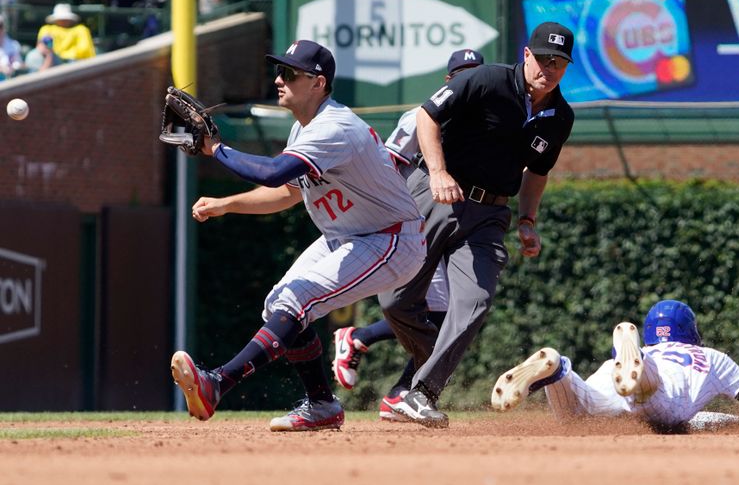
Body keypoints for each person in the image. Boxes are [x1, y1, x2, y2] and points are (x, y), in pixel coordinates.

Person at [170, 39, 426, 431]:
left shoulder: (334, 127)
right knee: (279, 305)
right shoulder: (302, 128)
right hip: (348, 236)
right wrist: (227, 204)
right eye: (279, 71)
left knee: (297, 299)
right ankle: (322, 405)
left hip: (390, 238)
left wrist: (216, 149)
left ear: (318, 83)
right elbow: (287, 192)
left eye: (290, 73)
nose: (278, 80)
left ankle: (218, 382)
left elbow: (273, 172)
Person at [376, 22, 576, 428]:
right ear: (526, 54)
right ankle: (432, 359)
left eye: (559, 62)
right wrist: (436, 172)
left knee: (475, 302)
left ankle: (421, 392)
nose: (549, 68)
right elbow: (427, 117)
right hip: (437, 195)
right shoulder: (487, 80)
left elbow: (537, 171)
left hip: (489, 215)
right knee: (395, 302)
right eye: (543, 59)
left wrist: (527, 219)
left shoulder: (560, 116)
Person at [331, 49, 485, 421]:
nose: (468, 81)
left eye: (474, 75)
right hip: (415, 224)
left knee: (445, 316)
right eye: (461, 74)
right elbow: (388, 165)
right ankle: (389, 375)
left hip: (451, 225)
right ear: (448, 81)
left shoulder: (486, 121)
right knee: (431, 314)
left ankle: (391, 379)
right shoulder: (422, 115)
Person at [492, 300, 739, 433]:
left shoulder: (642, 351)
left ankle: (558, 372)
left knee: (577, 417)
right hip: (660, 387)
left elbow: (701, 420)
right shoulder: (711, 357)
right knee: (653, 397)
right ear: (690, 331)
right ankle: (643, 374)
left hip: (615, 375)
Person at [0, 14, 21, 78]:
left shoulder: (14, 45)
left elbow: (19, 64)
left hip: (11, 80)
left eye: (0, 26)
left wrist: (14, 67)